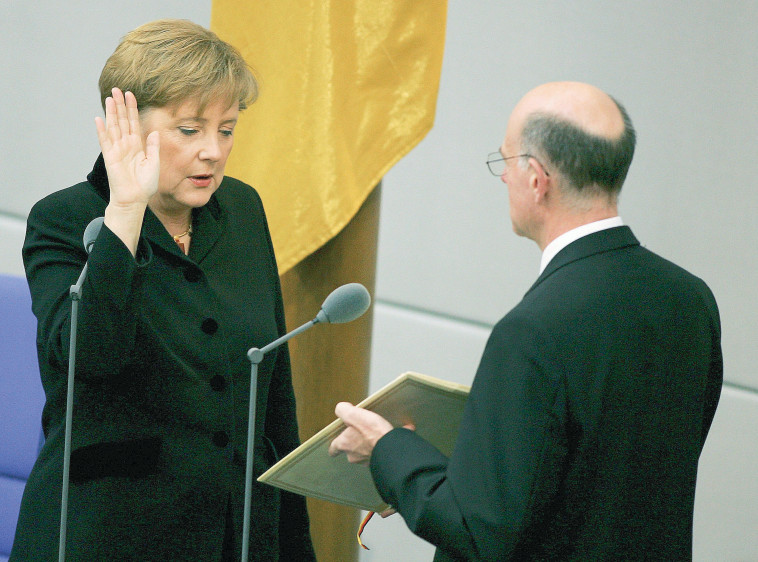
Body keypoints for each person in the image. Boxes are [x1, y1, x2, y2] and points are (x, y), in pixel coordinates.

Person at [329, 81, 723, 560]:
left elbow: (478, 529)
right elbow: (608, 468)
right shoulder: (690, 300)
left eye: (505, 161)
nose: (502, 178)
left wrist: (388, 449)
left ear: (537, 179)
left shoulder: (532, 332)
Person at [12, 19, 315, 561]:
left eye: (226, 129)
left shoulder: (242, 210)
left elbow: (272, 391)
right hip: (108, 533)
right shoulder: (62, 219)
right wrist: (125, 213)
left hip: (236, 533)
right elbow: (86, 359)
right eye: (190, 129)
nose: (214, 152)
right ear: (123, 123)